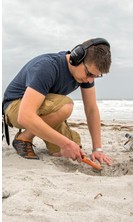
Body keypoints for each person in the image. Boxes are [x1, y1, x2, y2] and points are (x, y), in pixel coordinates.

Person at [2, 37, 112, 166]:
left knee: (73, 150)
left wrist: (97, 149)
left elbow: (91, 109)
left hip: (45, 108)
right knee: (66, 106)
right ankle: (24, 138)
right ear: (77, 58)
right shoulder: (47, 67)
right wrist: (65, 143)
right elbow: (24, 116)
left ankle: (39, 137)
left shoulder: (85, 76)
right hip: (16, 106)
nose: (90, 80)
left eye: (95, 76)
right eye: (89, 74)